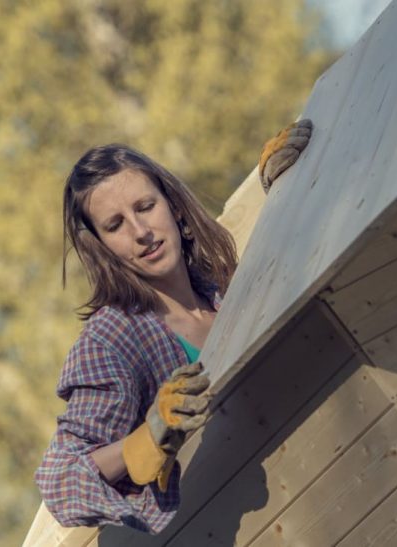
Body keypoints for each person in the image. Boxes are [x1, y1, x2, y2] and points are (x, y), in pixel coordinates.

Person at [34, 120, 313, 534]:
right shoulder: (112, 339)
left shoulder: (219, 288)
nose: (141, 232)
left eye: (145, 207)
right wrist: (144, 442)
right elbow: (60, 482)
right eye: (115, 225)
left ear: (173, 206)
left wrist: (281, 188)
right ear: (102, 247)